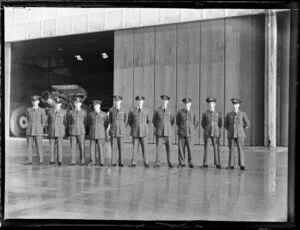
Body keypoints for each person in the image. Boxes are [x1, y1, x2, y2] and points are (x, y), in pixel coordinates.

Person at [224, 98, 250, 170]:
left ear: (238, 105)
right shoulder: (229, 114)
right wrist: (230, 130)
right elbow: (225, 125)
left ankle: (242, 165)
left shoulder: (242, 114)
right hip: (231, 134)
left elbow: (247, 124)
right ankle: (231, 165)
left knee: (240, 149)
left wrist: (242, 130)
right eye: (234, 104)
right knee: (231, 149)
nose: (235, 106)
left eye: (236, 104)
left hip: (240, 135)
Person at [127, 95, 151, 168]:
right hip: (135, 132)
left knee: (145, 148)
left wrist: (144, 127)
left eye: (141, 100)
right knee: (135, 148)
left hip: (144, 132)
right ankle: (133, 162)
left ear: (143, 101)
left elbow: (149, 121)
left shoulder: (147, 110)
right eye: (138, 100)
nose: (139, 102)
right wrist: (134, 127)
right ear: (136, 101)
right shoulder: (132, 110)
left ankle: (146, 162)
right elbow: (130, 121)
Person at [152, 95, 175, 168]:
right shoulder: (157, 110)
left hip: (168, 132)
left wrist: (167, 127)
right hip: (159, 132)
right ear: (161, 101)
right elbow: (154, 120)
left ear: (167, 102)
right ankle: (157, 163)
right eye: (162, 100)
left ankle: (170, 162)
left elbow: (172, 121)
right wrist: (159, 127)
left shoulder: (170, 110)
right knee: (158, 148)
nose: (164, 102)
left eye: (165, 101)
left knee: (169, 149)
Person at [176, 98, 198, 168]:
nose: (186, 105)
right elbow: (178, 122)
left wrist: (191, 129)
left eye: (188, 103)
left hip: (190, 133)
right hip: (182, 132)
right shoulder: (180, 112)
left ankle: (190, 162)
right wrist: (182, 128)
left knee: (190, 148)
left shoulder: (193, 112)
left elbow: (195, 123)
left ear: (190, 104)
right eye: (185, 103)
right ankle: (181, 162)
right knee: (181, 148)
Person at [201, 97, 222, 169]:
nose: (211, 105)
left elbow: (220, 124)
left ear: (214, 104)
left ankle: (218, 163)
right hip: (207, 132)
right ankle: (205, 163)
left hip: (215, 132)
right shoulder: (205, 113)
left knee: (216, 148)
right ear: (208, 104)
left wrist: (216, 129)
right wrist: (207, 128)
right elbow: (203, 124)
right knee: (206, 148)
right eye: (209, 103)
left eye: (212, 103)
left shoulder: (218, 113)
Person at [26, 95, 47, 165]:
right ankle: (29, 161)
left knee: (39, 146)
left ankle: (40, 160)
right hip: (30, 130)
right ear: (32, 102)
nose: (34, 102)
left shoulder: (42, 110)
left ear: (38, 101)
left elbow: (43, 122)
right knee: (29, 146)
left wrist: (40, 129)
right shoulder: (28, 110)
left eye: (36, 101)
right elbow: (28, 119)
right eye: (33, 101)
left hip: (38, 130)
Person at [87, 100, 109, 166]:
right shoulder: (91, 114)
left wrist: (102, 129)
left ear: (99, 106)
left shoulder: (104, 114)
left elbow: (106, 124)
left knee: (101, 148)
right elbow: (89, 123)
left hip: (100, 133)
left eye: (96, 105)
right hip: (92, 133)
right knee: (92, 148)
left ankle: (101, 161)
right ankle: (92, 162)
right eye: (94, 105)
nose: (95, 107)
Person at [108, 95, 128, 167]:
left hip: (121, 131)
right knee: (113, 147)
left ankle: (121, 162)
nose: (117, 102)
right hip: (113, 131)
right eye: (116, 101)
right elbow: (110, 120)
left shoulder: (124, 109)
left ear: (121, 101)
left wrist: (122, 127)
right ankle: (113, 162)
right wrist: (113, 126)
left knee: (121, 147)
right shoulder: (111, 109)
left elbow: (126, 120)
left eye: (118, 101)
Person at [67, 96, 87, 166]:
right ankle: (73, 161)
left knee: (82, 146)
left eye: (78, 103)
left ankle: (82, 160)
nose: (77, 104)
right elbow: (69, 122)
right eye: (75, 103)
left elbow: (85, 122)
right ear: (74, 103)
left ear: (81, 104)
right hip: (72, 131)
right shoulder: (70, 112)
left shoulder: (84, 112)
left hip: (81, 131)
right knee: (73, 147)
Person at [47, 97, 67, 166]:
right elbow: (49, 122)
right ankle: (52, 160)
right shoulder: (50, 111)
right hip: (52, 131)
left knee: (59, 146)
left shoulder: (64, 112)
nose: (57, 104)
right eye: (56, 103)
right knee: (52, 146)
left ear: (61, 104)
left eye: (58, 103)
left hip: (60, 131)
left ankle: (60, 160)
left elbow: (65, 122)